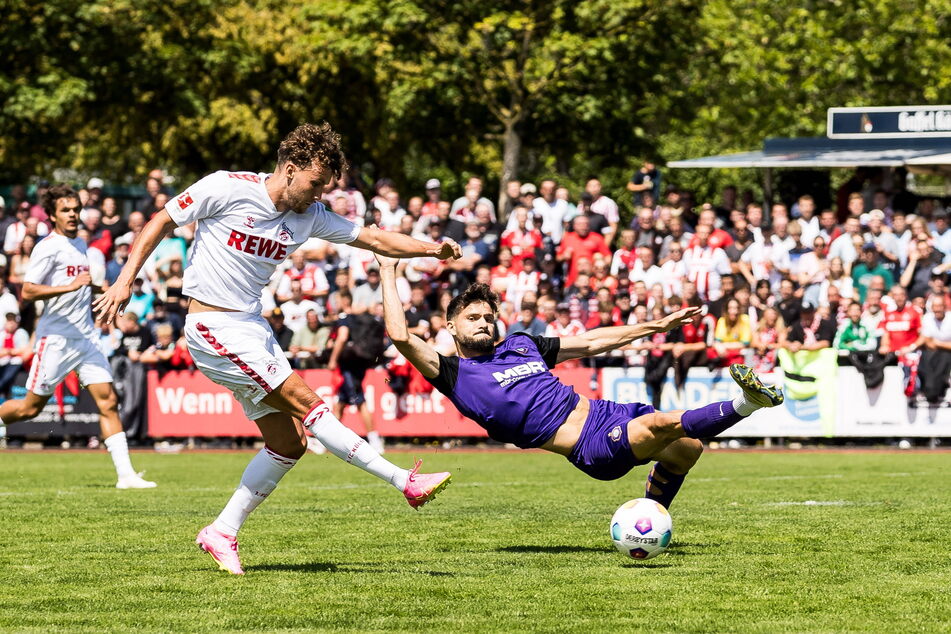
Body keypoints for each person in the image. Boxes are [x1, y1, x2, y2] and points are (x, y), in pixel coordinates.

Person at [94, 123, 461, 575]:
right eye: (313, 183)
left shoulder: (310, 214)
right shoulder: (226, 187)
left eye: (324, 186)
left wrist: (434, 249)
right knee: (310, 404)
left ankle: (221, 531)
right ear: (289, 169)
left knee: (290, 442)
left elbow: (376, 239)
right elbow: (161, 219)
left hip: (251, 328)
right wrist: (125, 280)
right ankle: (404, 481)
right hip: (212, 325)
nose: (318, 193)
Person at [377, 254, 784, 514]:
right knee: (662, 426)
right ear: (450, 326)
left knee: (687, 450)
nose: (483, 322)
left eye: (488, 317)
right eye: (472, 318)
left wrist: (654, 325)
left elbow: (591, 341)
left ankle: (646, 520)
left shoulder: (521, 344)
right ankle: (746, 403)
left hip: (607, 412)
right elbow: (399, 335)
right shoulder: (453, 374)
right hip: (590, 447)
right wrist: (388, 268)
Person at [0, 185, 155, 488]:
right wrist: (70, 287)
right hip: (55, 339)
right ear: (52, 215)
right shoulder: (48, 246)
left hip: (86, 338)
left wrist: (101, 289)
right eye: (65, 210)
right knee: (29, 408)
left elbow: (82, 283)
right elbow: (29, 290)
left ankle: (126, 476)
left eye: (75, 209)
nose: (72, 215)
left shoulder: (82, 245)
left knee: (108, 401)